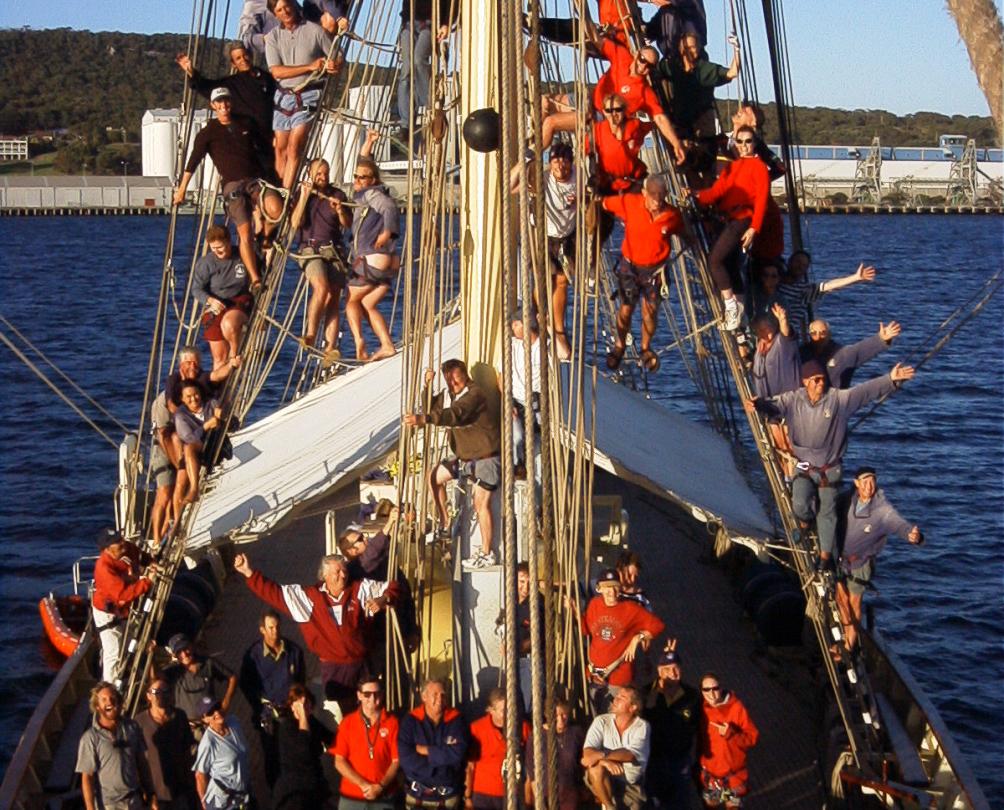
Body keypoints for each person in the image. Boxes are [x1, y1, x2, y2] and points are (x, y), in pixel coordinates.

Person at [746, 360, 917, 570]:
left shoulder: (837, 399)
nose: (821, 383)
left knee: (828, 512)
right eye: (816, 380)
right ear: (805, 382)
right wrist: (758, 405)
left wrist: (890, 380)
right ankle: (806, 521)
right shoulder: (793, 400)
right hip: (803, 464)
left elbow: (864, 392)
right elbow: (774, 405)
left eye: (823, 379)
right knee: (799, 502)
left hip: (830, 468)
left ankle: (825, 557)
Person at [234, 550, 400, 715]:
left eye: (344, 571)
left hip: (362, 664)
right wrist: (249, 572)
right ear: (325, 575)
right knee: (349, 712)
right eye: (337, 572)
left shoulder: (360, 589)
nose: (343, 575)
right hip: (335, 669)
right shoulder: (309, 597)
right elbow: (275, 593)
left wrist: (383, 599)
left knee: (373, 706)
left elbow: (394, 587)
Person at [172, 86, 282, 289]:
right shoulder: (208, 133)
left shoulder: (246, 123)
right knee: (244, 234)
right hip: (233, 186)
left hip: (255, 180)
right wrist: (182, 190)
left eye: (226, 101)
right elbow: (193, 162)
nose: (223, 106)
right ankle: (255, 279)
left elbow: (266, 148)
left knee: (277, 210)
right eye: (219, 103)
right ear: (213, 105)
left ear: (231, 102)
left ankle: (264, 238)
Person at [403, 360, 502, 570]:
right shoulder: (449, 395)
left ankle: (487, 552)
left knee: (480, 504)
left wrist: (425, 418)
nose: (453, 384)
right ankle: (445, 523)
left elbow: (455, 414)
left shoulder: (475, 395)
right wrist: (427, 388)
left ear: (465, 376)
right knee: (433, 477)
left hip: (486, 457)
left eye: (457, 380)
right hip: (465, 458)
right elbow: (434, 407)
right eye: (449, 380)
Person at [683, 124, 769, 331]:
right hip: (728, 219)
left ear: (755, 143)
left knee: (715, 260)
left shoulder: (759, 167)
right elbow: (716, 192)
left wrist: (754, 229)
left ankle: (730, 306)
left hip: (743, 219)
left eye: (748, 141)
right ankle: (740, 311)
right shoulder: (732, 167)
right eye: (739, 141)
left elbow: (762, 200)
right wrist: (696, 194)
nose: (744, 146)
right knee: (730, 266)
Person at [602, 175, 686, 372]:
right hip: (630, 267)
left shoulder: (672, 215)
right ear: (644, 193)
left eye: (661, 194)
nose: (657, 198)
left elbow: (682, 230)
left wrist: (693, 241)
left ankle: (645, 347)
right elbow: (605, 203)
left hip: (655, 270)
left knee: (650, 311)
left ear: (666, 194)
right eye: (653, 194)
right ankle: (620, 345)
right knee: (626, 308)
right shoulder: (630, 203)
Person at [835, 467, 924, 651]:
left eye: (872, 481)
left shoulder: (882, 509)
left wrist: (912, 535)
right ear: (856, 483)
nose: (869, 486)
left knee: (854, 602)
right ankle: (847, 631)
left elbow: (898, 524)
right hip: (840, 559)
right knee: (840, 596)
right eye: (865, 482)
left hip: (861, 563)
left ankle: (848, 645)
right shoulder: (845, 500)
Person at [175, 42, 277, 179]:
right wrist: (191, 71)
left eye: (245, 55)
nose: (243, 60)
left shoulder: (268, 78)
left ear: (251, 56)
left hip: (270, 137)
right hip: (249, 141)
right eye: (238, 58)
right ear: (233, 63)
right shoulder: (230, 84)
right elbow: (205, 86)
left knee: (275, 177)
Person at [265, 0, 337, 188]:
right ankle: (279, 188)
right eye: (279, 9)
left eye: (286, 6)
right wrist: (309, 67)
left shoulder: (315, 31)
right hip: (283, 97)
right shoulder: (273, 37)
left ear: (294, 5)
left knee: (294, 145)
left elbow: (337, 56)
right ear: (275, 14)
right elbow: (276, 72)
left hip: (308, 93)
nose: (285, 11)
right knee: (280, 148)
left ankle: (286, 192)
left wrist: (333, 65)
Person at [289, 157, 352, 356]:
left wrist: (340, 210)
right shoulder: (301, 195)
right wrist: (304, 197)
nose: (323, 177)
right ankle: (310, 333)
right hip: (310, 250)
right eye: (318, 174)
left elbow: (347, 223)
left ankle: (330, 346)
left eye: (325, 173)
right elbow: (295, 223)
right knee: (321, 287)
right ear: (310, 174)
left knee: (333, 296)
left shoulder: (337, 194)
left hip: (333, 250)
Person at [579, 569, 665, 712]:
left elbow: (657, 626)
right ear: (599, 588)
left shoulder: (630, 609)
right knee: (599, 721)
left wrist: (638, 638)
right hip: (595, 676)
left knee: (615, 720)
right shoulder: (595, 604)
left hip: (618, 679)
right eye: (607, 587)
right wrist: (576, 613)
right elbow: (586, 630)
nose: (611, 592)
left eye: (615, 587)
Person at [346, 136, 400, 362]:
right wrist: (369, 142)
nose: (357, 180)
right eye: (356, 177)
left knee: (350, 301)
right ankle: (387, 345)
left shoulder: (372, 194)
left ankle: (359, 340)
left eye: (362, 178)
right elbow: (364, 161)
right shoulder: (369, 190)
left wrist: (387, 232)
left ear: (373, 180)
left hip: (372, 258)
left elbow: (388, 209)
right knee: (368, 304)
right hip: (386, 262)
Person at [239, 608, 305, 786]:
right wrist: (259, 706)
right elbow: (245, 684)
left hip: (289, 713)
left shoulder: (294, 652)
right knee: (271, 754)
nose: (275, 631)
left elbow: (300, 682)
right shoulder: (252, 656)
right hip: (267, 716)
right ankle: (275, 792)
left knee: (292, 752)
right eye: (270, 628)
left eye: (277, 627)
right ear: (262, 630)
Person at [91, 528, 158, 682]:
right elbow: (123, 595)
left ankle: (132, 671)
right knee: (113, 653)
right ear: (107, 550)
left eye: (120, 538)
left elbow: (140, 556)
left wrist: (150, 562)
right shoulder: (104, 568)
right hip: (108, 614)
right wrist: (147, 582)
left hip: (124, 611)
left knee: (130, 641)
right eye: (117, 543)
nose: (122, 543)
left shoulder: (127, 548)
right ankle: (111, 687)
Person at [76, 682, 153, 810]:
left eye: (113, 698)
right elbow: (87, 777)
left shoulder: (132, 728)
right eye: (104, 699)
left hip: (134, 801)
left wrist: (151, 793)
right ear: (97, 706)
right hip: (109, 805)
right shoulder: (90, 738)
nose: (110, 702)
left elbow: (142, 763)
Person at [644, 644, 701, 809]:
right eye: (668, 669)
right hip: (654, 761)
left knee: (680, 804)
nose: (673, 674)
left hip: (680, 761)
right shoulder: (648, 693)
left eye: (676, 668)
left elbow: (698, 726)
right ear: (660, 672)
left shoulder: (692, 696)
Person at [332, 678, 401, 809]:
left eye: (377, 693)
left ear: (382, 694)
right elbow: (339, 761)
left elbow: (396, 761)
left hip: (384, 795)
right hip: (352, 796)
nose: (372, 697)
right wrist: (363, 785)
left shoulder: (393, 723)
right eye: (367, 694)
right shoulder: (347, 723)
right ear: (359, 695)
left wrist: (380, 786)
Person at [398, 678, 469, 808]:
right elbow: (406, 758)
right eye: (435, 695)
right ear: (424, 696)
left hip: (448, 797)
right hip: (417, 797)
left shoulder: (457, 720)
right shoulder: (410, 721)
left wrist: (426, 751)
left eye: (442, 694)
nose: (440, 699)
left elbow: (458, 753)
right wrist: (440, 766)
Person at [192, 225, 254, 371]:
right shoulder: (206, 264)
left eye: (220, 247)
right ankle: (219, 390)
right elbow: (196, 289)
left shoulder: (242, 255)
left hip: (239, 301)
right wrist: (210, 300)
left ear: (228, 241)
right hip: (216, 304)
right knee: (219, 358)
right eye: (213, 248)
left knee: (229, 323)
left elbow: (261, 264)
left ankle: (234, 356)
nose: (217, 251)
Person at [658, 31, 739, 140]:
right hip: (679, 123)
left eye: (692, 47)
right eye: (686, 47)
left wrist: (736, 50)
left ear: (699, 48)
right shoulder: (672, 66)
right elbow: (653, 72)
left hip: (702, 124)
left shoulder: (704, 69)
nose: (689, 51)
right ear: (680, 49)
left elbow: (732, 73)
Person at [581, 686, 651, 810]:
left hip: (629, 784)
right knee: (595, 769)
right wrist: (604, 762)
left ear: (633, 707)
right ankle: (609, 807)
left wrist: (602, 755)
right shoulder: (601, 721)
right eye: (616, 696)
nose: (615, 700)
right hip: (603, 779)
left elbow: (630, 754)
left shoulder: (642, 727)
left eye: (621, 698)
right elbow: (587, 757)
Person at [778, 255, 877, 340]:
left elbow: (828, 286)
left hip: (785, 337)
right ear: (789, 261)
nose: (800, 266)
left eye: (804, 265)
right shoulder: (774, 282)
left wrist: (855, 278)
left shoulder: (804, 290)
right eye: (798, 262)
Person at [135, 676, 198, 810]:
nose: (161, 695)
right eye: (156, 692)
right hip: (157, 793)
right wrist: (147, 792)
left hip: (181, 788)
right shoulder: (139, 722)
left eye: (165, 691)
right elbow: (137, 760)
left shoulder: (180, 716)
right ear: (148, 696)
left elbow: (187, 750)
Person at [697, 673, 758, 809]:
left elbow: (752, 738)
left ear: (721, 688)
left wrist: (732, 734)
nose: (711, 694)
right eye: (706, 690)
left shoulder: (736, 708)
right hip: (711, 778)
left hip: (732, 779)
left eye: (715, 688)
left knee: (732, 807)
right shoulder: (701, 709)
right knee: (710, 806)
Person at [272, 684, 334, 809]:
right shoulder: (287, 727)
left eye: (307, 703)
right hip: (296, 792)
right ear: (292, 707)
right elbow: (303, 750)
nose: (305, 708)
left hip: (315, 785)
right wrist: (303, 717)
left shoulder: (311, 721)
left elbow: (331, 739)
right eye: (300, 705)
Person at [465, 688, 528, 810]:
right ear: (490, 710)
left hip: (513, 794)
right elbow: (470, 767)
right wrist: (467, 797)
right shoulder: (476, 729)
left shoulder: (523, 728)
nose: (508, 714)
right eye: (503, 710)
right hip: (483, 796)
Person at [494, 561, 544, 714]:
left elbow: (538, 638)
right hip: (513, 660)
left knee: (529, 707)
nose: (526, 587)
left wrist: (514, 648)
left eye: (529, 582)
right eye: (521, 581)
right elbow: (499, 624)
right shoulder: (510, 602)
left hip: (529, 662)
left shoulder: (538, 604)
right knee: (513, 705)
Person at [800, 319, 902, 390]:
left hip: (833, 406)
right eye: (814, 333)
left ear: (829, 335)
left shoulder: (842, 354)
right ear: (809, 335)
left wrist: (880, 340)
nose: (818, 337)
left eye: (822, 333)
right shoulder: (801, 354)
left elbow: (859, 351)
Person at [397, 0, 452, 129]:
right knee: (406, 70)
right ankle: (406, 121)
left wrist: (445, 23)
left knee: (419, 59)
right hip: (408, 24)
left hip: (429, 24)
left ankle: (427, 104)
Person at [172, 380, 224, 515]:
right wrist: (206, 426)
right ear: (182, 399)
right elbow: (189, 439)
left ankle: (194, 490)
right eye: (188, 397)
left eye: (195, 394)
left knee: (189, 450)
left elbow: (233, 424)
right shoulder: (180, 416)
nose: (193, 399)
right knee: (180, 484)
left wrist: (222, 417)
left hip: (215, 445)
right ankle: (193, 491)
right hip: (195, 449)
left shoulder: (212, 404)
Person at [165, 633, 238, 728]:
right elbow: (156, 680)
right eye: (179, 651)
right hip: (189, 727)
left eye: (186, 648)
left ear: (191, 646)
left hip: (213, 721)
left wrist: (225, 703)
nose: (184, 654)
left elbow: (232, 677)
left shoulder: (207, 663)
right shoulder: (174, 672)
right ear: (175, 655)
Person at [525, 699, 585, 810]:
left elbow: (582, 761)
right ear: (546, 714)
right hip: (544, 794)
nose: (560, 719)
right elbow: (532, 772)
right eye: (556, 715)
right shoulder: (537, 736)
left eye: (564, 714)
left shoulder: (576, 733)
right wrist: (539, 802)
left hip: (569, 794)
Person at [193, 696, 252, 810]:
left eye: (217, 707)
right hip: (224, 802)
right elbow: (200, 776)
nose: (216, 712)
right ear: (205, 719)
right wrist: (205, 805)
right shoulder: (208, 743)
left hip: (244, 795)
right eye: (210, 712)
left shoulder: (234, 722)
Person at [149, 392, 178, 549]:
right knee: (164, 494)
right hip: (163, 450)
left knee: (173, 494)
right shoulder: (163, 402)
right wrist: (177, 463)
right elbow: (162, 436)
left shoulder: (188, 391)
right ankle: (156, 539)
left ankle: (168, 530)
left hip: (177, 447)